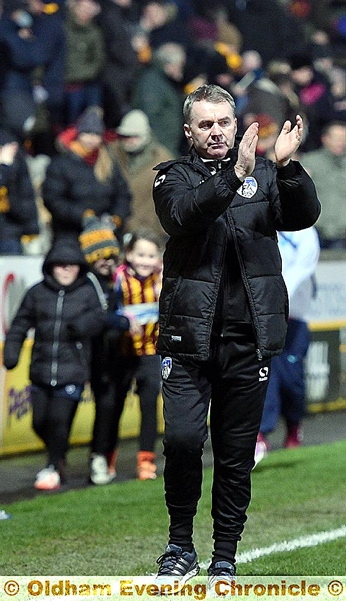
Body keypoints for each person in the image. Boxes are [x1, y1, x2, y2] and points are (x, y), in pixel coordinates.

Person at [151, 84, 320, 586]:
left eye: (223, 122)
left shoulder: (267, 175)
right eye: (205, 124)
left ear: (235, 122)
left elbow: (304, 214)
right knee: (182, 440)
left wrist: (288, 168)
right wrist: (236, 177)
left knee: (234, 452)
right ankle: (180, 546)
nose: (216, 131)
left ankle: (225, 553)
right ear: (189, 131)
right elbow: (183, 216)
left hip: (248, 338)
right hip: (188, 338)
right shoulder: (172, 176)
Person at [3, 237, 106, 490]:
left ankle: (52, 467)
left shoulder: (87, 292)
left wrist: (82, 327)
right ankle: (58, 455)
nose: (66, 269)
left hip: (73, 372)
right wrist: (12, 353)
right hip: (40, 370)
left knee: (60, 421)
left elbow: (100, 319)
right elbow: (19, 325)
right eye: (60, 264)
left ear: (80, 267)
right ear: (50, 266)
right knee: (40, 422)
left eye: (72, 265)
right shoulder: (37, 292)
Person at [254, 226, 320, 466]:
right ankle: (262, 433)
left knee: (292, 380)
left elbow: (303, 267)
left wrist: (279, 296)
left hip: (294, 317)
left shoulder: (305, 231)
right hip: (263, 316)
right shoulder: (261, 221)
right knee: (266, 374)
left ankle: (294, 425)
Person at [104, 228, 163, 481]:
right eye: (140, 255)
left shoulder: (163, 280)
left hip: (152, 352)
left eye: (150, 256)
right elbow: (108, 311)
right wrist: (123, 318)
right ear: (129, 255)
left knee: (149, 406)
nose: (145, 261)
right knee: (113, 406)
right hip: (122, 352)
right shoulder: (117, 279)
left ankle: (146, 460)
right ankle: (106, 458)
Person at [78, 214, 131, 485]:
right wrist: (117, 320)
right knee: (106, 405)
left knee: (115, 407)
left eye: (110, 256)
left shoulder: (118, 280)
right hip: (96, 357)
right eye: (100, 256)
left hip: (121, 355)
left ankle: (106, 456)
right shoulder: (86, 284)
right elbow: (89, 320)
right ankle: (97, 456)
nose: (106, 261)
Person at [41, 105, 132, 242]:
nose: (91, 139)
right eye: (87, 133)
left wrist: (117, 217)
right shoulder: (61, 164)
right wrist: (83, 216)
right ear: (79, 135)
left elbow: (122, 194)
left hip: (106, 234)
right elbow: (53, 199)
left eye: (96, 134)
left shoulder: (108, 162)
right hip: (70, 235)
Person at [108, 108, 173, 245]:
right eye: (126, 136)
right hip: (116, 229)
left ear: (145, 135)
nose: (129, 140)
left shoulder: (163, 160)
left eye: (135, 136)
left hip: (150, 233)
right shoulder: (111, 154)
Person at [300, 121, 346, 249]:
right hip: (315, 232)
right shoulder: (309, 162)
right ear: (325, 139)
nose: (341, 143)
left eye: (344, 139)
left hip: (342, 234)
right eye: (337, 138)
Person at [0, 129, 39, 254]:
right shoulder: (7, 156)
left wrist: (32, 229)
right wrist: (5, 167)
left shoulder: (10, 144)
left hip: (9, 231)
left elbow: (24, 193)